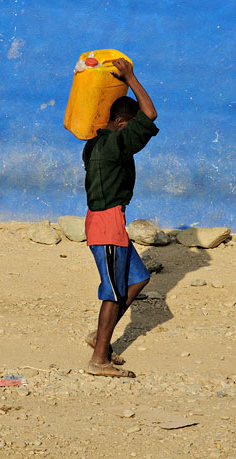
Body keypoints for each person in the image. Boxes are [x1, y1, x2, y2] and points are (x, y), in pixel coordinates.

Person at [82, 58, 158, 378]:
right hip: (107, 224)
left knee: (138, 279)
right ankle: (99, 360)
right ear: (123, 123)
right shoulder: (114, 144)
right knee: (112, 291)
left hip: (108, 222)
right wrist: (130, 76)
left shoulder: (94, 144)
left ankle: (101, 336)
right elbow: (150, 115)